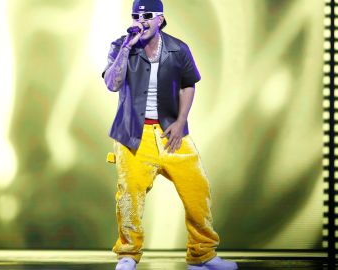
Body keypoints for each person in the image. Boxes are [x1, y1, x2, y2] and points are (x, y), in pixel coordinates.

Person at [102, 1, 238, 269]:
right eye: (136, 15)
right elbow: (111, 83)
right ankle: (128, 255)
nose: (141, 19)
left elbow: (189, 85)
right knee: (129, 196)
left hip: (170, 132)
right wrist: (128, 46)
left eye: (148, 15)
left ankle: (203, 255)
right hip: (132, 134)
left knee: (198, 189)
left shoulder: (178, 48)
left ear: (160, 19)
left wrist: (181, 120)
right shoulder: (121, 46)